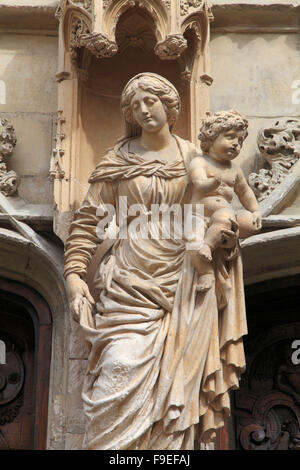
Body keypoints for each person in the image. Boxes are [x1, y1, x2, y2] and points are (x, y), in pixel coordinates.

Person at [64, 73, 247, 450]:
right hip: (129, 282)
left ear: (170, 105)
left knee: (177, 389)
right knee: (117, 367)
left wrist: (224, 240)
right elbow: (87, 222)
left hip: (185, 279)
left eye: (151, 101)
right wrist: (74, 275)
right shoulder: (117, 160)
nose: (144, 110)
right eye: (135, 105)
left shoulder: (194, 157)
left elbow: (220, 207)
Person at [188, 110, 262, 290]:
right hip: (200, 214)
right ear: (210, 137)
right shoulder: (201, 162)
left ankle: (215, 242)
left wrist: (255, 211)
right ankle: (206, 266)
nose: (236, 144)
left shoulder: (234, 169)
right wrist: (212, 182)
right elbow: (198, 184)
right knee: (194, 243)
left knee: (242, 219)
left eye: (240, 141)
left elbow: (245, 192)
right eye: (230, 137)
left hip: (222, 216)